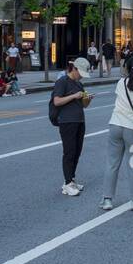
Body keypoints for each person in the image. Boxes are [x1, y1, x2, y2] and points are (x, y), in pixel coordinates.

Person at [99, 54, 133, 211]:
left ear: (126, 68)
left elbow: (130, 83)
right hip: (132, 129)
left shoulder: (120, 83)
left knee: (112, 164)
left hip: (115, 125)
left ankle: (107, 199)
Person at [51, 59, 90, 195]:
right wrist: (74, 96)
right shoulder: (62, 81)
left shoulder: (79, 84)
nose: (81, 76)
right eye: (81, 73)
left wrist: (87, 99)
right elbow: (57, 101)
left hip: (79, 120)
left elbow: (84, 105)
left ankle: (71, 179)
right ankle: (67, 183)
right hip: (67, 121)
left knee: (77, 151)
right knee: (69, 152)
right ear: (74, 69)